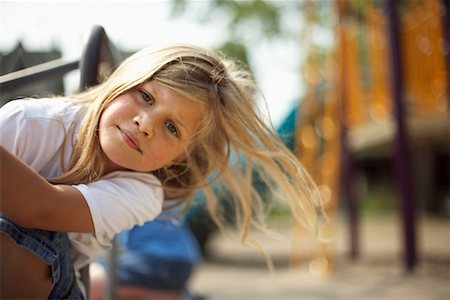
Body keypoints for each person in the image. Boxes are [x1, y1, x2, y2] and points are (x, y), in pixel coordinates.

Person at [0, 44, 323, 299]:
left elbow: (42, 208)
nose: (146, 124)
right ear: (121, 81)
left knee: (22, 224)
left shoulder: (142, 193)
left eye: (171, 127)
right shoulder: (30, 123)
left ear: (178, 159)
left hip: (51, 284)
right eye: (146, 96)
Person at [89, 211, 201, 300]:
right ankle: (173, 295)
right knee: (99, 278)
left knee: (94, 281)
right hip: (175, 259)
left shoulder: (138, 189)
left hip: (163, 259)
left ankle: (174, 296)